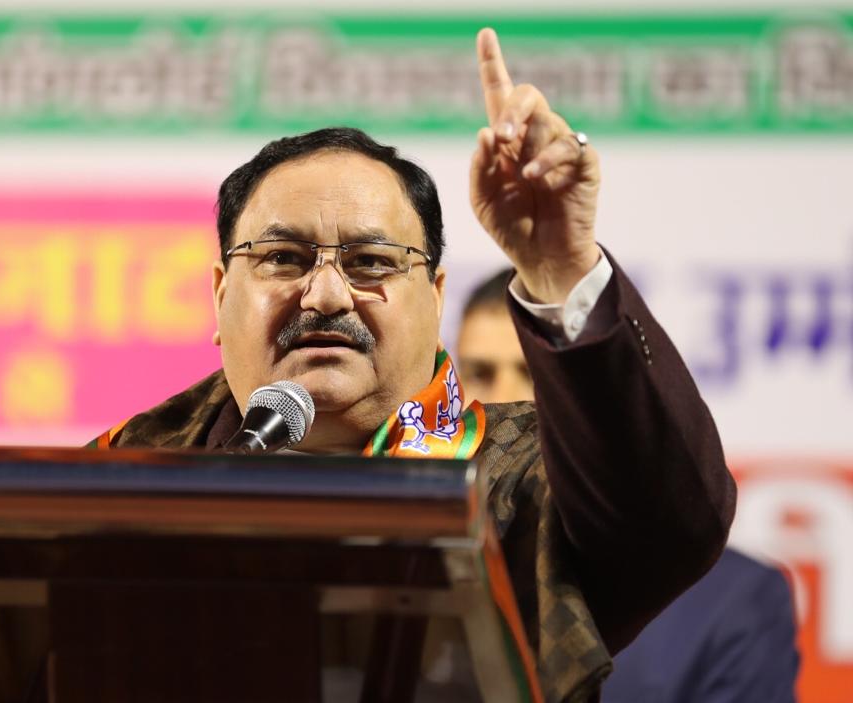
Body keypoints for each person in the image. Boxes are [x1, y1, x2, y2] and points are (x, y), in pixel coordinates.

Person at [91, 28, 736, 701]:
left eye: (371, 262)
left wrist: (560, 266)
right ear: (222, 297)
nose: (326, 295)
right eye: (283, 258)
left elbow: (673, 523)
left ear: (433, 299)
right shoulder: (127, 470)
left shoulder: (530, 477)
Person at [458, 269, 800, 702]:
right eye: (480, 372)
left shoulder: (733, 598)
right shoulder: (424, 565)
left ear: (585, 394)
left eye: (531, 372)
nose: (507, 397)